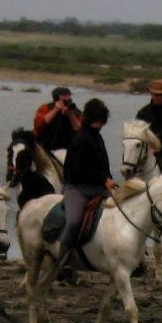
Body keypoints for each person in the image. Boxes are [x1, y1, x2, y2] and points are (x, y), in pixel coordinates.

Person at [58, 98, 115, 267]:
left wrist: (109, 179)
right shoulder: (81, 139)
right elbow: (79, 168)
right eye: (96, 121)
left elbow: (103, 164)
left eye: (100, 121)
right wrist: (104, 179)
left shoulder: (97, 138)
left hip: (98, 187)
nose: (98, 125)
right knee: (74, 222)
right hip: (77, 187)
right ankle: (62, 261)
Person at [33, 86, 81, 152]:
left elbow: (80, 130)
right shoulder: (46, 108)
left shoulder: (76, 112)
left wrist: (71, 114)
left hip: (67, 147)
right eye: (64, 101)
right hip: (45, 144)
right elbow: (38, 126)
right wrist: (55, 109)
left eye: (69, 100)